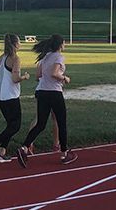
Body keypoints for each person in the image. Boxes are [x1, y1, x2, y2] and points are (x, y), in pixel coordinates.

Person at [16, 34, 78, 167]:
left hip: (41, 91)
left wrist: (48, 78)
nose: (65, 45)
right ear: (60, 45)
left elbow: (38, 75)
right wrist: (64, 78)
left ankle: (24, 147)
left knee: (41, 123)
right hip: (54, 92)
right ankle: (64, 153)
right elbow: (54, 73)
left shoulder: (45, 57)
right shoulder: (59, 57)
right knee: (61, 122)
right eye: (64, 43)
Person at [0, 34, 30, 163]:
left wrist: (2, 79)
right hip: (10, 95)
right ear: (16, 44)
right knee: (16, 125)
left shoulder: (2, 57)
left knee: (10, 124)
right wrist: (25, 77)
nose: (20, 44)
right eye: (19, 42)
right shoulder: (15, 59)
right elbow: (15, 79)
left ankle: (2, 152)